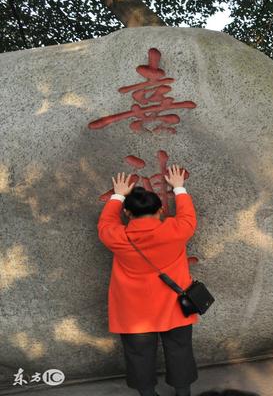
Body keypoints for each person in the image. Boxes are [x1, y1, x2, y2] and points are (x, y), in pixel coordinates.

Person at [98, 166, 198, 396]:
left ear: (127, 214)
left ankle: (147, 394)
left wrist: (118, 195)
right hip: (175, 306)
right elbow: (188, 217)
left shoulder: (118, 237)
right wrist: (179, 187)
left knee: (138, 354)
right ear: (161, 210)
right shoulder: (175, 230)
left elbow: (105, 224)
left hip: (134, 312)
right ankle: (183, 393)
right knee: (180, 350)